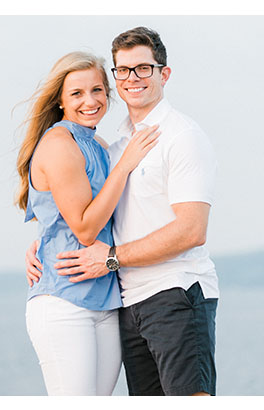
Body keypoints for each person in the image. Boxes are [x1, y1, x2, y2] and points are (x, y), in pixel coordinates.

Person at [30, 27, 219, 397]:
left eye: (143, 68)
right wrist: (43, 243)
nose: (133, 78)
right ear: (116, 78)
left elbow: (192, 230)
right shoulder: (115, 146)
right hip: (128, 303)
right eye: (123, 70)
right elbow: (83, 212)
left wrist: (111, 258)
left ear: (164, 73)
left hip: (175, 293)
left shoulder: (182, 136)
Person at [15, 51, 158, 395]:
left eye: (96, 90)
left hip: (106, 301)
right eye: (76, 93)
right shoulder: (59, 144)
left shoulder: (99, 145)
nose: (90, 101)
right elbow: (84, 228)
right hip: (63, 301)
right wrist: (124, 165)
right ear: (60, 100)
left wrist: (39, 241)